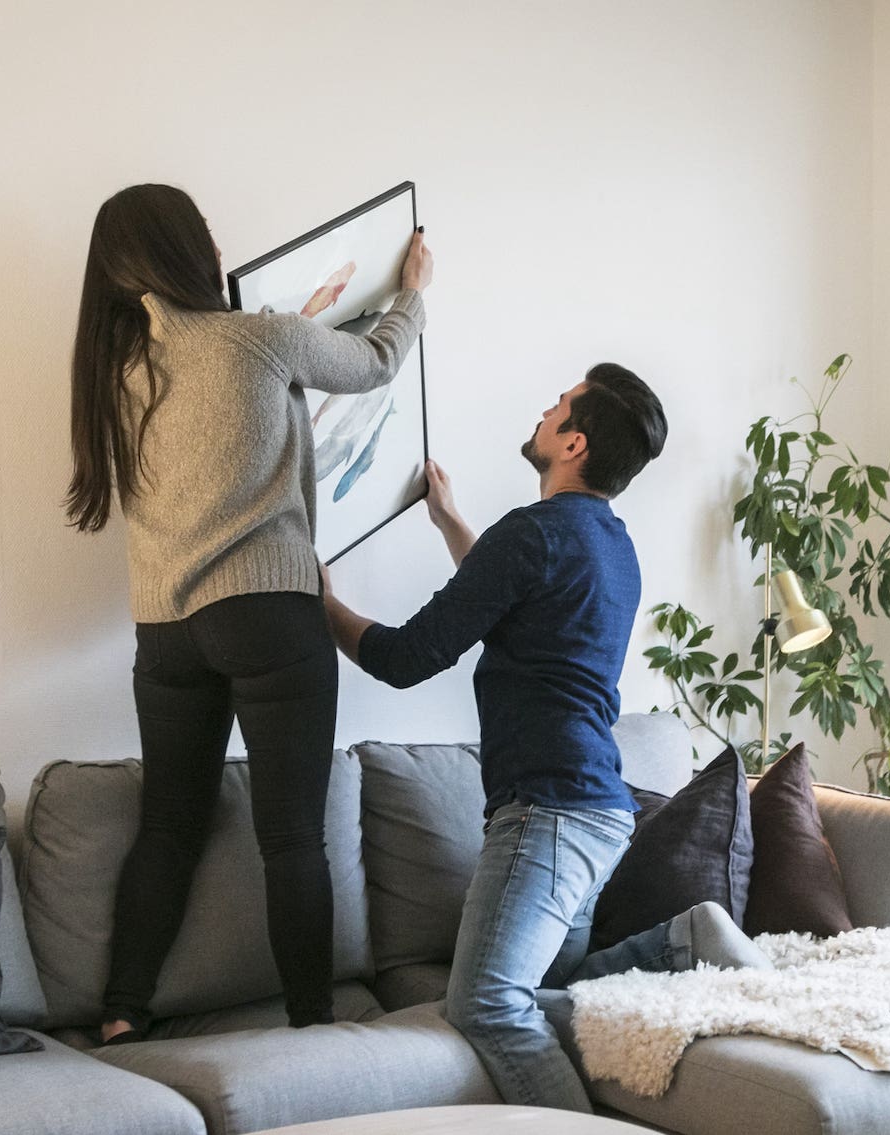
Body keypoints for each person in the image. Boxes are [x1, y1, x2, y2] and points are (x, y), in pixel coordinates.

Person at [321, 365, 769, 1111]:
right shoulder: (611, 545)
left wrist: (323, 605)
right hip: (599, 812)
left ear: (573, 441)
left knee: (487, 1004)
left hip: (548, 813)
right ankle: (684, 942)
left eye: (556, 406)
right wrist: (447, 520)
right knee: (552, 993)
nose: (542, 410)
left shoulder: (530, 536)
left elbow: (403, 658)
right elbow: (509, 597)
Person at [65, 183, 433, 1043]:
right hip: (266, 611)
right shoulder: (256, 339)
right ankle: (312, 1025)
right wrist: (412, 289)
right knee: (293, 836)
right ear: (189, 250)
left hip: (164, 630)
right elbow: (376, 360)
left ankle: (122, 1010)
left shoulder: (116, 379)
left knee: (167, 826)